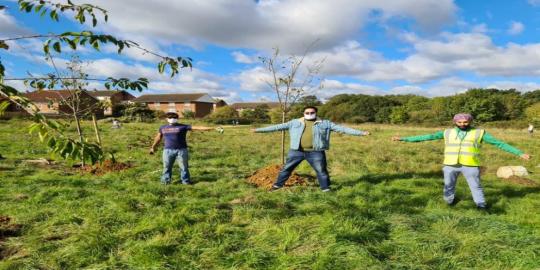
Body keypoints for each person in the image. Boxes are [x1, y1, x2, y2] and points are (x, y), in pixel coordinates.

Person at [392, 113, 531, 209]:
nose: (462, 124)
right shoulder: (447, 132)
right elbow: (426, 137)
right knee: (448, 185)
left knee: (476, 186)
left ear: (470, 121)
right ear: (455, 122)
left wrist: (519, 153)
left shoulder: (479, 133)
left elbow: (499, 144)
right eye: (459, 122)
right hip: (450, 165)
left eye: (465, 122)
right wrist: (404, 139)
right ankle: (449, 202)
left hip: (470, 165)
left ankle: (481, 205)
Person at [252, 106, 370, 192]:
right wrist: (258, 130)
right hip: (296, 151)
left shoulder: (325, 123)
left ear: (316, 113)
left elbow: (343, 129)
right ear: (303, 113)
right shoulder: (294, 122)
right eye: (307, 112)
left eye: (311, 112)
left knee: (321, 171)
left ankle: (326, 188)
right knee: (286, 169)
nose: (309, 114)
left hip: (315, 152)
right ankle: (277, 186)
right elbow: (277, 127)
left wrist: (361, 133)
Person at [150, 112, 214, 185]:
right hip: (167, 150)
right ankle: (165, 181)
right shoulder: (163, 127)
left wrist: (212, 128)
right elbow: (158, 138)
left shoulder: (183, 126)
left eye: (174, 118)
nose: (172, 119)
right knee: (166, 167)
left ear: (177, 119)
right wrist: (153, 147)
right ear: (167, 119)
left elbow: (197, 127)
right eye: (170, 118)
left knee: (184, 167)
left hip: (181, 150)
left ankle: (185, 181)